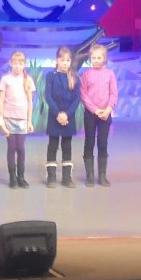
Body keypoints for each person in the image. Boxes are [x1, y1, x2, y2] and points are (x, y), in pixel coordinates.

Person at [80, 44, 118, 187]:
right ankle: (89, 175)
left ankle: (102, 175)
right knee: (89, 142)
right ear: (90, 58)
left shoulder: (110, 74)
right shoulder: (86, 75)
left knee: (102, 143)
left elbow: (113, 93)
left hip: (105, 114)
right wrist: (95, 110)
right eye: (94, 58)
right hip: (91, 114)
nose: (96, 60)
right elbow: (84, 95)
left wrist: (108, 109)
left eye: (99, 58)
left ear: (104, 59)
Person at [45, 46, 81, 188]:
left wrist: (67, 114)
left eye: (68, 60)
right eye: (62, 60)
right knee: (52, 146)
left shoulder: (75, 77)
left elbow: (77, 98)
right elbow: (48, 97)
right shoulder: (50, 76)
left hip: (68, 118)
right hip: (54, 117)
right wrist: (58, 114)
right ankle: (51, 177)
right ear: (57, 60)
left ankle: (67, 178)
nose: (65, 63)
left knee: (67, 146)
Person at [0, 51, 35, 189]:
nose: (18, 66)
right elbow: (1, 100)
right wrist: (1, 120)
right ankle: (12, 177)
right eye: (15, 63)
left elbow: (30, 102)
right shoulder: (5, 79)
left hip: (22, 120)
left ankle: (21, 177)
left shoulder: (28, 80)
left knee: (21, 148)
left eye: (20, 63)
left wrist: (29, 121)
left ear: (24, 64)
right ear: (10, 63)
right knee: (12, 148)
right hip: (9, 119)